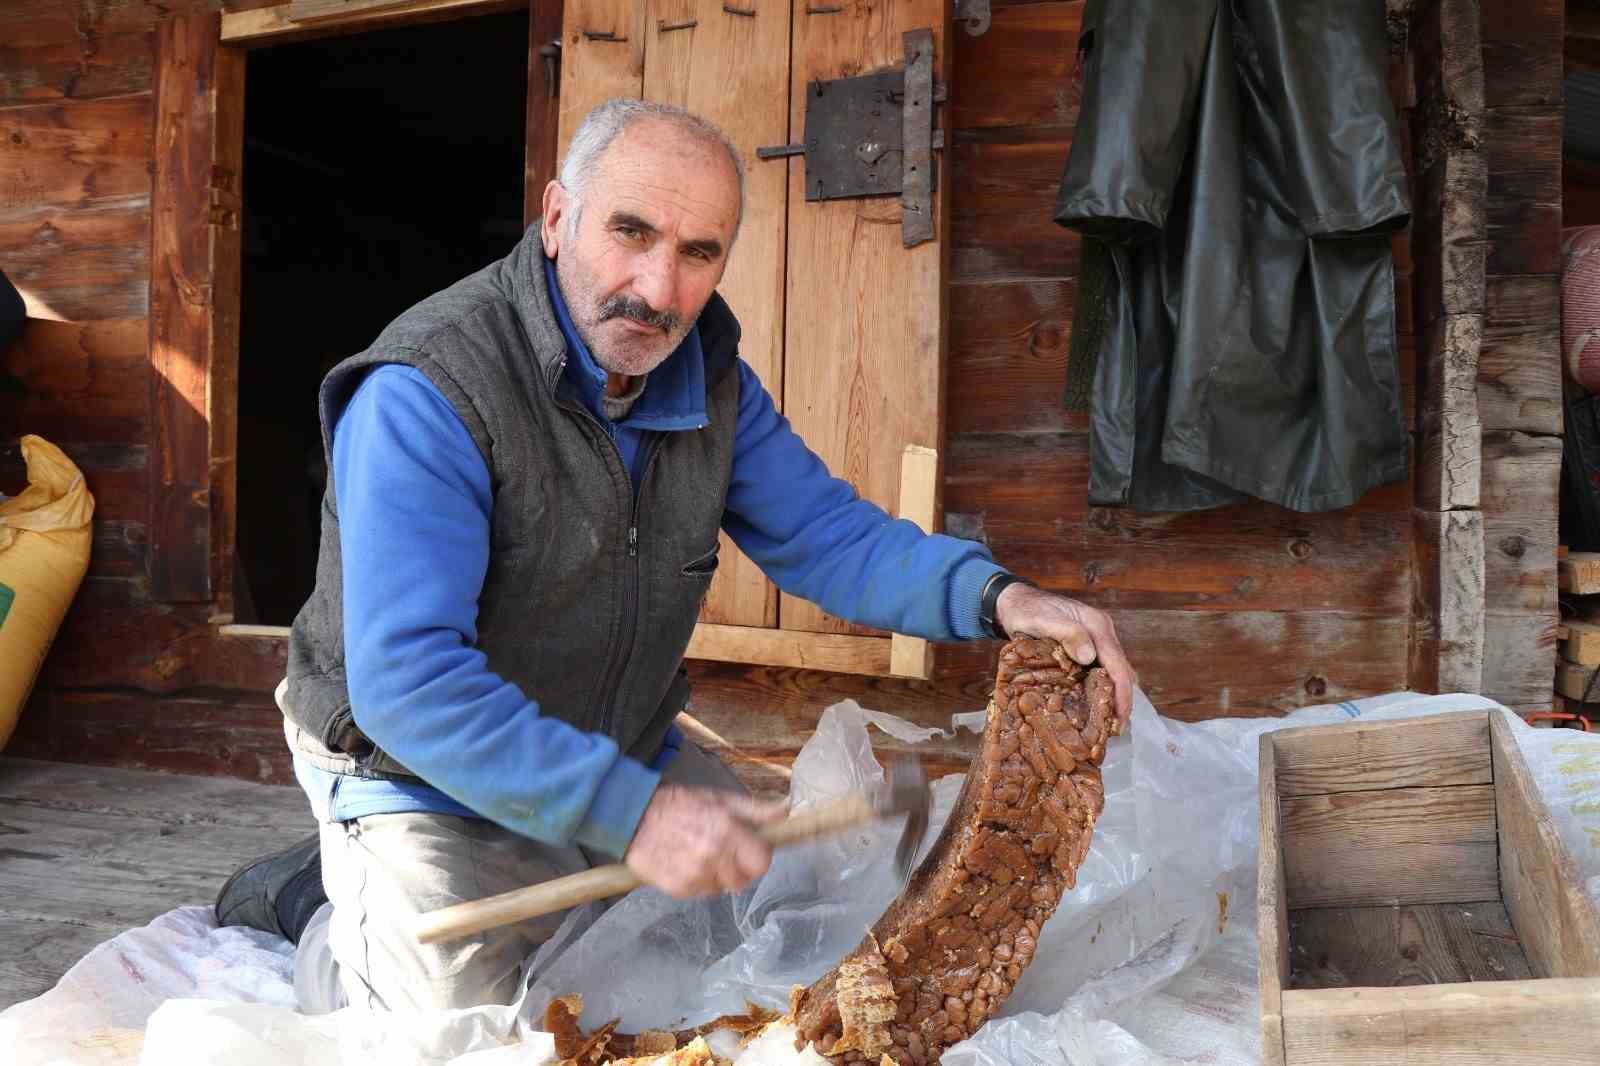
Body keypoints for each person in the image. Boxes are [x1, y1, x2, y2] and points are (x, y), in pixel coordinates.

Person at [214, 99, 1137, 1014]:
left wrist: (999, 596)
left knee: (738, 956)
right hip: (416, 769)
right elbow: (408, 684)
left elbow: (828, 535)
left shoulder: (708, 378)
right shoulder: (429, 391)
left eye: (700, 253)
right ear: (556, 217)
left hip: (616, 739)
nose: (658, 292)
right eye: (630, 232)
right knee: (469, 1035)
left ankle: (561, 838)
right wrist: (637, 816)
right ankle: (323, 914)